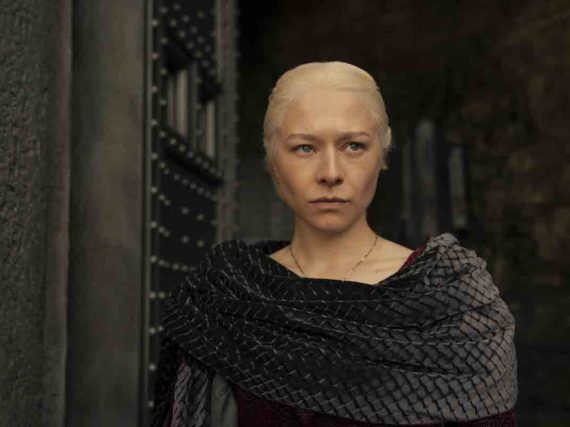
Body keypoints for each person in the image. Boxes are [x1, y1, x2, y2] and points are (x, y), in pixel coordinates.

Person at [151, 61, 517, 427]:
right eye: (304, 148)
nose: (330, 173)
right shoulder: (223, 296)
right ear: (273, 159)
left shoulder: (452, 300)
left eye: (354, 146)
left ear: (382, 155)